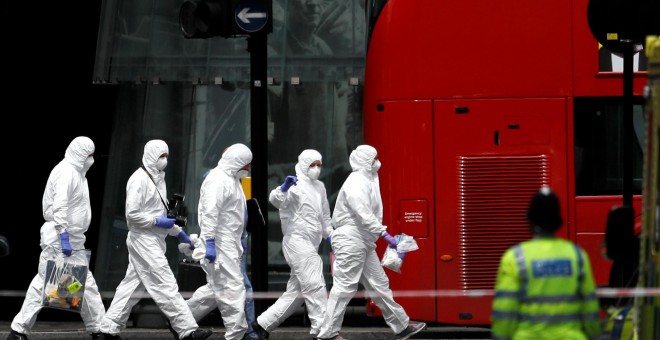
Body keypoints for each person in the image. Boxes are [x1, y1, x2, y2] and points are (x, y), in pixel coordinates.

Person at [99, 140, 212, 340]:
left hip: (153, 239)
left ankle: (108, 329)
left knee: (132, 286)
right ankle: (186, 330)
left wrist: (178, 232)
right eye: (161, 156)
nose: (165, 160)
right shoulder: (138, 180)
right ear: (151, 155)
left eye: (166, 156)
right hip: (143, 240)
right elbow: (132, 216)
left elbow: (160, 215)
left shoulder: (158, 179)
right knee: (165, 282)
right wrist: (158, 221)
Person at [315, 145, 427, 340]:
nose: (377, 161)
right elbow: (363, 213)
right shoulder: (357, 181)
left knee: (379, 284)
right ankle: (327, 334)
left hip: (363, 240)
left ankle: (401, 326)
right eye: (374, 158)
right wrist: (385, 235)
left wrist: (380, 235)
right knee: (345, 286)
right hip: (352, 238)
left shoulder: (367, 179)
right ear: (367, 161)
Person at [7, 136, 106, 340]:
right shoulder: (66, 172)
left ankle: (99, 329)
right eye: (89, 155)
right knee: (46, 283)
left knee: (79, 283)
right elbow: (59, 206)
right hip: (60, 239)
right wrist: (63, 236)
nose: (92, 159)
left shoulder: (78, 173)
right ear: (80, 154)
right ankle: (18, 330)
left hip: (73, 238)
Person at [490, 186, 601, 339]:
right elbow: (590, 307)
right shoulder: (577, 256)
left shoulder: (515, 257)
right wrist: (594, 335)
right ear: (558, 223)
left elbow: (505, 309)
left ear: (530, 221)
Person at [251, 149, 334, 340]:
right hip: (297, 241)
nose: (316, 169)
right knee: (314, 283)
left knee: (295, 295)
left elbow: (324, 218)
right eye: (312, 165)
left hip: (311, 243)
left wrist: (331, 236)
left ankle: (262, 324)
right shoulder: (294, 185)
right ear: (304, 165)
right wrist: (284, 187)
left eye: (318, 165)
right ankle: (321, 331)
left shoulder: (320, 187)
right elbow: (275, 200)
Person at [186, 143, 253, 340]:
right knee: (233, 290)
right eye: (246, 165)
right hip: (220, 243)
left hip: (230, 243)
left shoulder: (231, 179)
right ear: (236, 162)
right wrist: (210, 242)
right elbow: (209, 214)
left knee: (216, 289)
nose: (248, 169)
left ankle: (182, 320)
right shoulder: (217, 180)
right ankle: (236, 334)